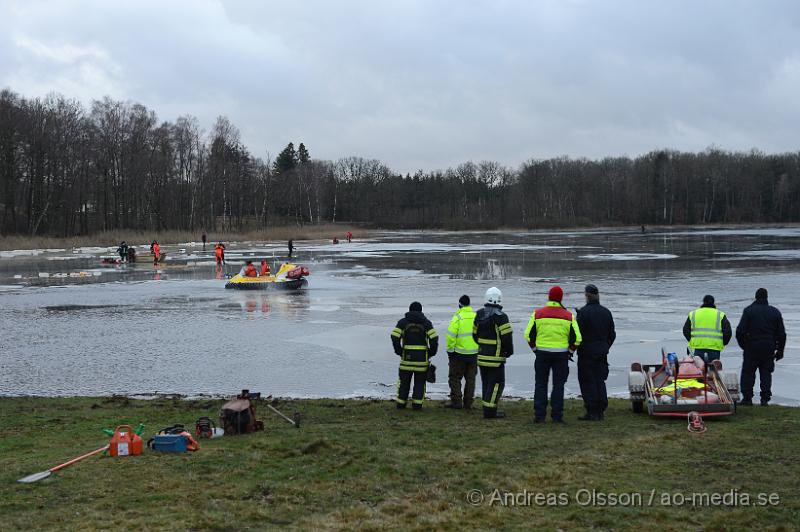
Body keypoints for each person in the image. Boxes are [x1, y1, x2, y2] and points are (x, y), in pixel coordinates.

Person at [525, 286, 582, 424]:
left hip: (542, 354)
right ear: (561, 298)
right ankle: (557, 416)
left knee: (540, 384)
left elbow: (528, 335)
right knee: (558, 385)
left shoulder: (537, 314)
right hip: (561, 356)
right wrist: (569, 352)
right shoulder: (569, 316)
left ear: (549, 297)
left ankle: (539, 416)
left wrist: (535, 350)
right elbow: (577, 339)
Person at [736, 288, 786, 406]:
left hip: (752, 346)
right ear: (766, 297)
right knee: (766, 373)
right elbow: (782, 334)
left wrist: (744, 345)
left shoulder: (749, 311)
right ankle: (765, 399)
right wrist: (780, 350)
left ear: (756, 297)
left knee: (748, 372)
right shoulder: (775, 312)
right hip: (769, 347)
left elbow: (740, 331)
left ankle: (747, 398)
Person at [575, 284, 616, 421]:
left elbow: (577, 334)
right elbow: (612, 334)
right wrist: (605, 346)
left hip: (586, 353)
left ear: (587, 295)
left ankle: (592, 411)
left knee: (587, 381)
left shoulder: (583, 313)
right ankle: (601, 410)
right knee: (600, 380)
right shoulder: (606, 312)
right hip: (602, 352)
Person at [473, 287, 513, 419]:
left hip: (481, 356)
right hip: (496, 358)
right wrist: (509, 352)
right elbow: (507, 338)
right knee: (497, 384)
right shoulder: (502, 317)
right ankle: (490, 411)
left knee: (486, 383)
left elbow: (474, 335)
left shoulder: (479, 314)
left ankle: (487, 409)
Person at [391, 302, 438, 410]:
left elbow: (394, 336)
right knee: (420, 383)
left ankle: (401, 404)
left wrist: (399, 351)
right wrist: (431, 353)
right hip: (422, 361)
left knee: (404, 383)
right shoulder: (426, 323)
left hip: (406, 360)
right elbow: (434, 339)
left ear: (409, 310)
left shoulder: (402, 322)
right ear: (421, 311)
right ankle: (417, 405)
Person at [444, 295, 479, 409]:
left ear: (459, 304)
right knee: (470, 379)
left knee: (455, 377)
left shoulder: (457, 317)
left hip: (458, 354)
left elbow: (450, 336)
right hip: (473, 354)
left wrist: (450, 351)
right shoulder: (476, 317)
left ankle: (457, 402)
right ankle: (468, 403)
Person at [683, 295, 732, 364]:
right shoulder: (720, 314)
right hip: (714, 349)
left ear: (703, 302)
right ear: (713, 302)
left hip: (698, 348)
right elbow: (728, 332)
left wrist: (693, 340)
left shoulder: (693, 314)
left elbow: (686, 330)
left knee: (700, 370)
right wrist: (723, 343)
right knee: (713, 371)